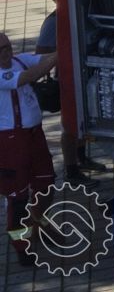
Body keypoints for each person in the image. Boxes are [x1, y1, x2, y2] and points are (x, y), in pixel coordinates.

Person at [0, 32, 58, 264]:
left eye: (7, 46)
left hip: (35, 136)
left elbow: (42, 58)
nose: (6, 52)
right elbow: (28, 76)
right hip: (10, 143)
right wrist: (60, 55)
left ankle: (38, 222)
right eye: (0, 49)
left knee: (47, 185)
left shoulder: (19, 60)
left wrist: (62, 50)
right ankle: (21, 247)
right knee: (18, 199)